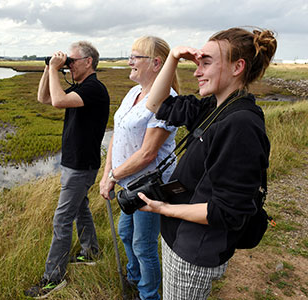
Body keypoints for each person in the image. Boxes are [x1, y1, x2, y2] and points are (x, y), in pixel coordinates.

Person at [138, 27, 277, 299]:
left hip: (195, 250)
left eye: (207, 62)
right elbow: (154, 104)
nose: (196, 71)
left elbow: (229, 212)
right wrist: (174, 56)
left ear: (238, 67)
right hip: (180, 237)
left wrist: (164, 209)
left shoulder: (241, 125)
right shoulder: (214, 107)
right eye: (197, 62)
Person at [25, 41, 110, 298]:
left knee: (61, 220)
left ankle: (53, 279)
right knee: (80, 209)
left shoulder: (94, 88)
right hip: (75, 163)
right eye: (67, 61)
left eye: (72, 61)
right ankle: (91, 252)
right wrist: (47, 69)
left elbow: (58, 101)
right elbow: (44, 98)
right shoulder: (82, 87)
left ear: (88, 62)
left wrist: (54, 69)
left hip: (81, 166)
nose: (68, 65)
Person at [100, 36, 179, 300]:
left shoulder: (167, 100)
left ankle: (148, 295)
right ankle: (134, 277)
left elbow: (148, 154)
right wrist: (107, 175)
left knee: (143, 245)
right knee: (125, 232)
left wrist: (114, 175)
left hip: (149, 188)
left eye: (136, 57)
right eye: (130, 55)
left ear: (156, 63)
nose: (129, 61)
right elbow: (117, 134)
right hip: (128, 184)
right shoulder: (134, 93)